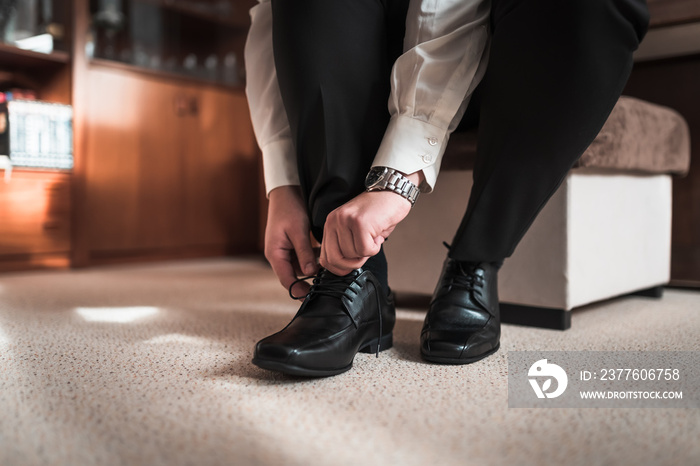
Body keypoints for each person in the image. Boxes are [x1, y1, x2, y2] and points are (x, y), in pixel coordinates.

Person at [245, 0, 650, 376]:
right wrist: (284, 182)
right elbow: (269, 15)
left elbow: (449, 6)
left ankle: (475, 260)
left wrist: (399, 176)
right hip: (365, 48)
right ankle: (350, 275)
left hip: (495, 57)